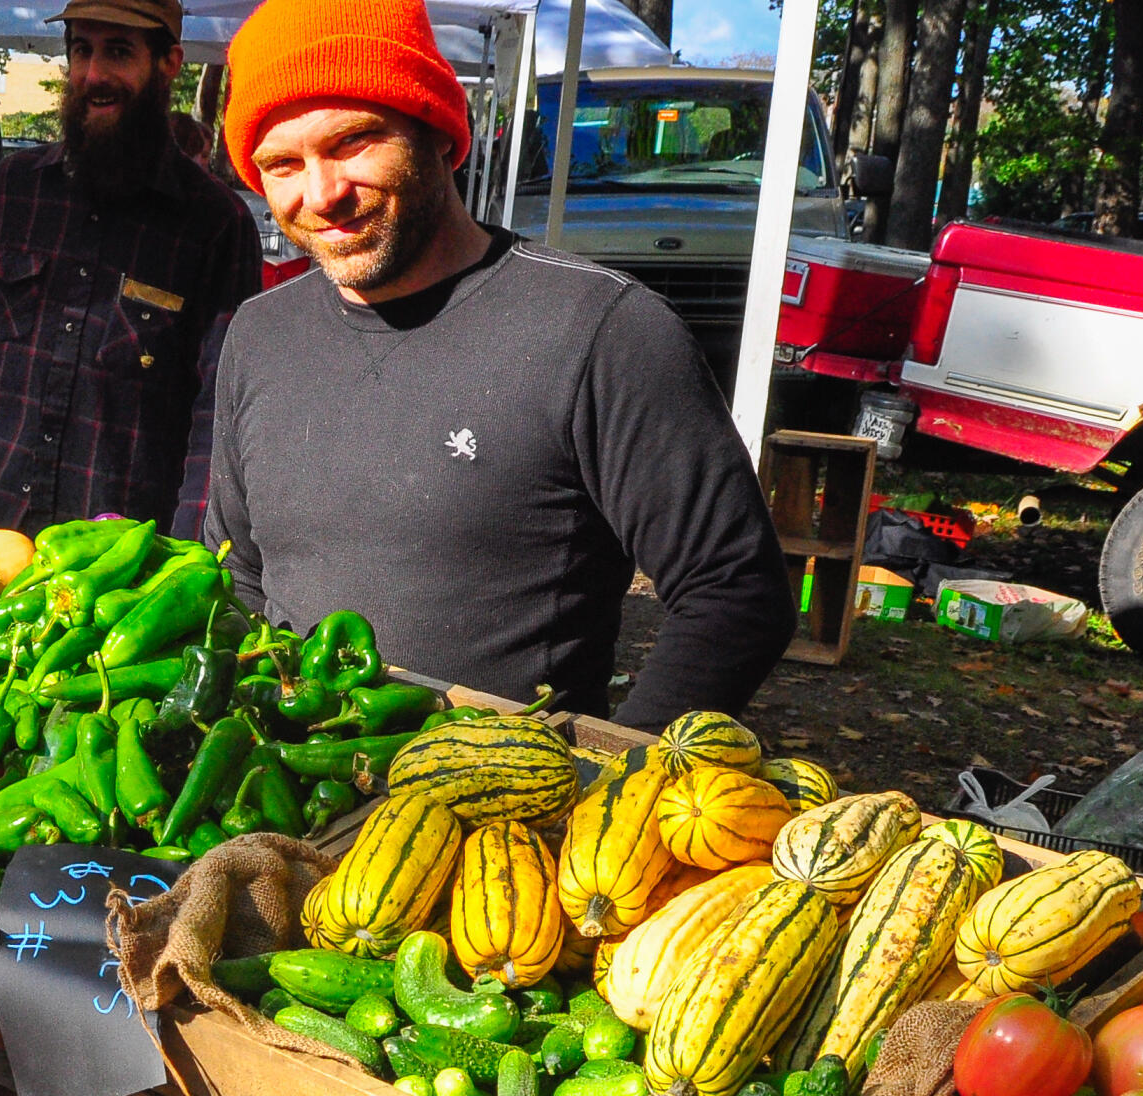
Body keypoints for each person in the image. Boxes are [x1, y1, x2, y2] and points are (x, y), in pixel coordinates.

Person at [201, 0, 793, 726]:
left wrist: (613, 784)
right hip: (295, 801)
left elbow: (735, 591)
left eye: (353, 141)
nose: (321, 193)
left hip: (502, 823)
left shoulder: (599, 330)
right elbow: (240, 575)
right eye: (282, 164)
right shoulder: (260, 335)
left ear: (439, 133)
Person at [0, 0, 260, 535]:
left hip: (121, 571)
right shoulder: (14, 191)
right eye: (81, 50)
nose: (94, 74)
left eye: (119, 52)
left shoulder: (216, 225)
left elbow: (219, 414)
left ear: (169, 63)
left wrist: (183, 551)